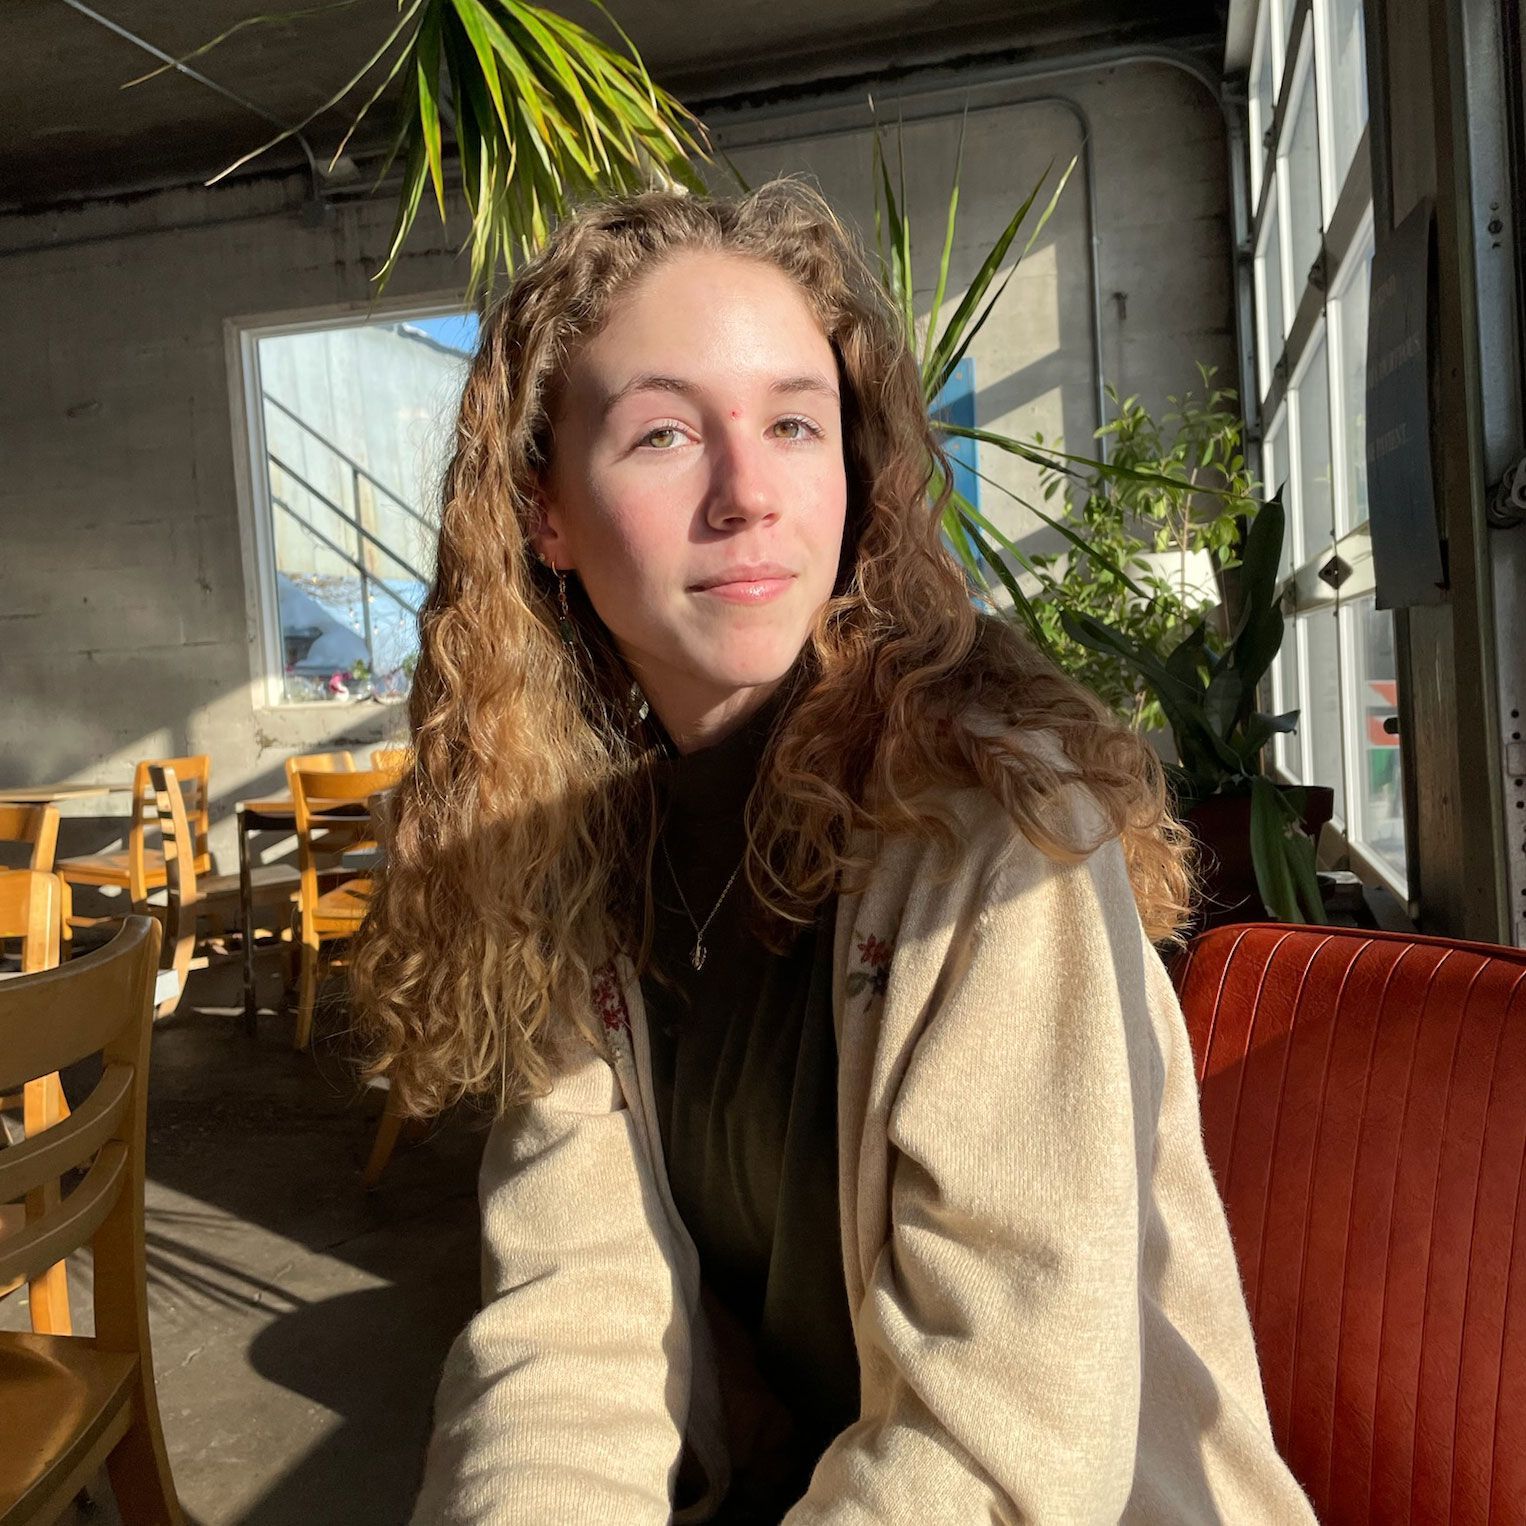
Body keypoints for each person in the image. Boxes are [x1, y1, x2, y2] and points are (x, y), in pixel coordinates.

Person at [351, 178, 1316, 1524]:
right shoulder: (567, 867)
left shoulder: (990, 824)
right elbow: (572, 1332)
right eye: (662, 435)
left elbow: (1001, 1440)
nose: (747, 494)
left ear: (854, 476)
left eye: (794, 424)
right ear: (544, 515)